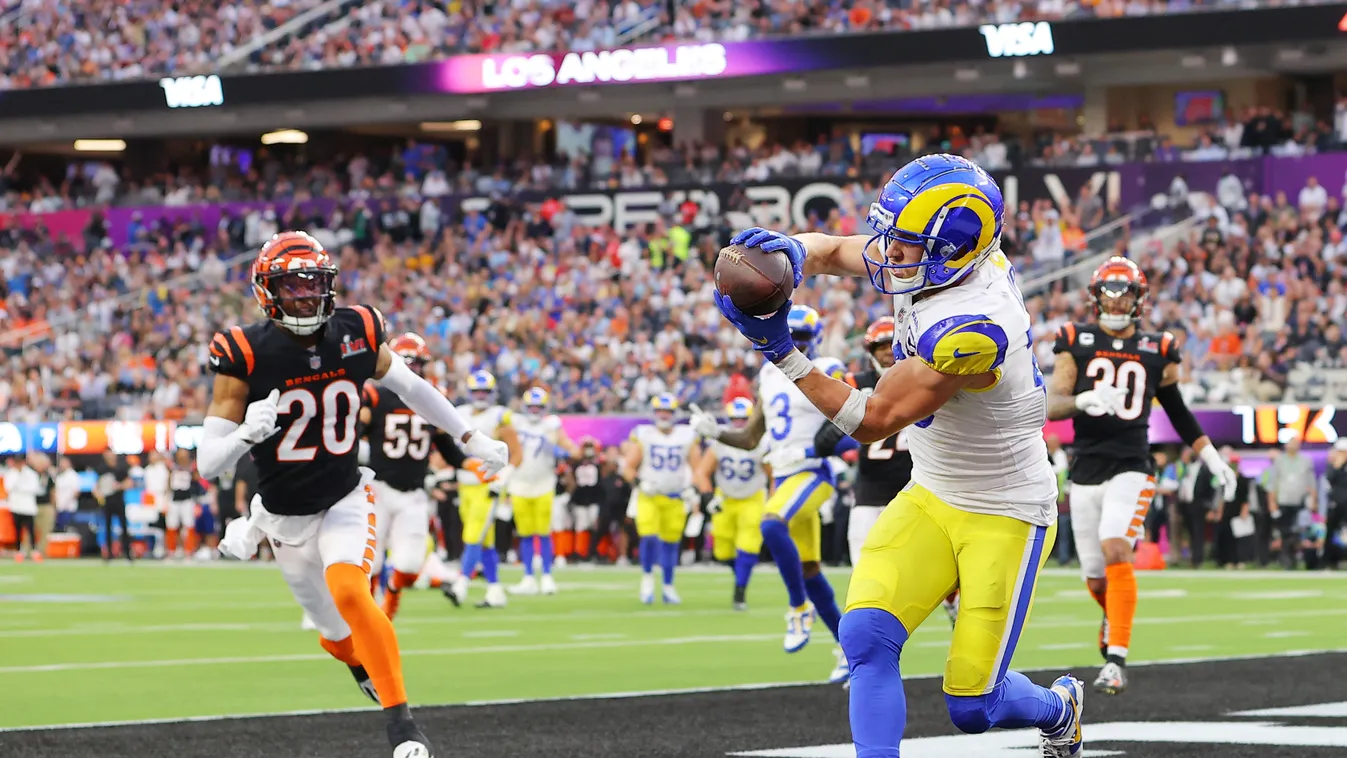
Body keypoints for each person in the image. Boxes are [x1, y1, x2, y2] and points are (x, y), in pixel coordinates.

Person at [714, 154, 1083, 757]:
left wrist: (780, 351)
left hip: (1005, 509)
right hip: (933, 492)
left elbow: (873, 418)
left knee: (972, 706)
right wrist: (790, 251)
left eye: (907, 244)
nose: (889, 252)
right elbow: (832, 251)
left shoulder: (975, 325)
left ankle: (1059, 707)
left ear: (954, 251)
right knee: (864, 637)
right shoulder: (940, 259)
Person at [198, 230, 509, 758]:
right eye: (291, 286)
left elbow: (412, 387)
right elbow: (207, 464)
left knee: (350, 590)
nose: (303, 296)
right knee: (334, 634)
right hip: (283, 515)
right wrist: (246, 433)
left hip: (345, 495)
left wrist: (469, 437)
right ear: (266, 292)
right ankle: (360, 664)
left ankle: (404, 727)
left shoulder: (357, 330)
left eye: (312, 284)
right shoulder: (245, 351)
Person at [1048, 255, 1236, 697]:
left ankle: (1116, 660)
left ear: (1139, 298)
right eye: (1108, 292)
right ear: (1095, 297)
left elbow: (1179, 412)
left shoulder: (1159, 347)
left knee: (1117, 546)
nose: (1116, 300)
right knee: (1095, 577)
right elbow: (1051, 402)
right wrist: (1082, 401)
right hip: (1086, 468)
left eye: (1124, 292)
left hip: (1133, 464)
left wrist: (1211, 458)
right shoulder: (1076, 339)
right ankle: (1112, 614)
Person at [691, 311, 854, 685]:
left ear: (813, 339)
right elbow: (750, 438)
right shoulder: (768, 374)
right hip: (783, 479)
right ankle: (848, 650)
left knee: (770, 524)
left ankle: (798, 608)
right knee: (810, 569)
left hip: (812, 474)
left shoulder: (827, 367)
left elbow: (856, 424)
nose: (793, 343)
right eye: (788, 334)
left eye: (800, 337)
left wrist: (818, 451)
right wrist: (713, 431)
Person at [361, 332, 482, 618]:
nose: (416, 370)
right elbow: (353, 434)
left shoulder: (428, 400)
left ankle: (392, 593)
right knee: (371, 561)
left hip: (414, 493)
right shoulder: (375, 395)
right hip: (378, 488)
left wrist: (472, 465)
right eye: (411, 363)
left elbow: (447, 448)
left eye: (420, 364)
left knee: (410, 565)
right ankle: (369, 617)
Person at [447, 370, 521, 610]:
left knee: (473, 536)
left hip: (487, 485)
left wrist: (504, 478)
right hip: (465, 484)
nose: (480, 396)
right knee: (484, 541)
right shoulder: (460, 414)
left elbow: (517, 453)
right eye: (477, 391)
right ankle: (495, 590)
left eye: (485, 392)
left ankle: (460, 585)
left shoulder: (500, 416)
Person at [623, 392, 701, 605]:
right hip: (650, 496)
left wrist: (693, 488)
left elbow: (698, 468)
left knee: (671, 543)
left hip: (676, 496)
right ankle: (647, 579)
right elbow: (628, 467)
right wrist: (640, 483)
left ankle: (668, 585)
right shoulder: (644, 434)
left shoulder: (687, 435)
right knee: (648, 537)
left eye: (667, 411)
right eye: (660, 411)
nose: (664, 415)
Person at [693, 397, 769, 611]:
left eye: (743, 419)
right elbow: (702, 472)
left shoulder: (761, 442)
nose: (738, 424)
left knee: (747, 545)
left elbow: (771, 475)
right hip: (725, 497)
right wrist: (708, 498)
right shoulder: (719, 441)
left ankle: (740, 592)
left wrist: (774, 503)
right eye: (734, 419)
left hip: (752, 497)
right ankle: (740, 576)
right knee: (723, 551)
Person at [508, 387, 578, 596]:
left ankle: (547, 576)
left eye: (539, 406)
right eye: (532, 406)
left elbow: (570, 446)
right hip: (519, 483)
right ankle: (529, 577)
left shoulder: (552, 425)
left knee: (545, 532)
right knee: (525, 533)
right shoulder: (516, 423)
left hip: (544, 484)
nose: (535, 410)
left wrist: (571, 450)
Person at [568, 437, 605, 562]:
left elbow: (601, 481)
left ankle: (593, 552)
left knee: (594, 526)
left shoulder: (599, 463)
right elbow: (573, 481)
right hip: (580, 499)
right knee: (580, 526)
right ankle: (580, 552)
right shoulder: (576, 463)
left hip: (594, 498)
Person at [167, 448, 207, 560]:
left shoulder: (192, 468)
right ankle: (171, 551)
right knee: (171, 525)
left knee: (189, 525)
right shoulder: (172, 468)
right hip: (174, 500)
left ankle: (189, 551)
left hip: (187, 500)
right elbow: (169, 483)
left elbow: (197, 481)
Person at [95, 450, 134, 563]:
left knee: (124, 527)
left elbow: (129, 483)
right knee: (107, 527)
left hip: (119, 501)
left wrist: (119, 486)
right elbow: (97, 486)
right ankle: (109, 554)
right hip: (107, 502)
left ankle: (127, 553)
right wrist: (99, 496)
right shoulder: (102, 470)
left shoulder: (121, 469)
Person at [4, 456, 40, 562]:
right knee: (18, 530)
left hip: (29, 507)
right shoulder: (11, 473)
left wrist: (20, 488)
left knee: (31, 530)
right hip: (16, 506)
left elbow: (34, 488)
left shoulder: (31, 474)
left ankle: (34, 551)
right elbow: (9, 487)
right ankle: (20, 551)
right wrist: (19, 482)